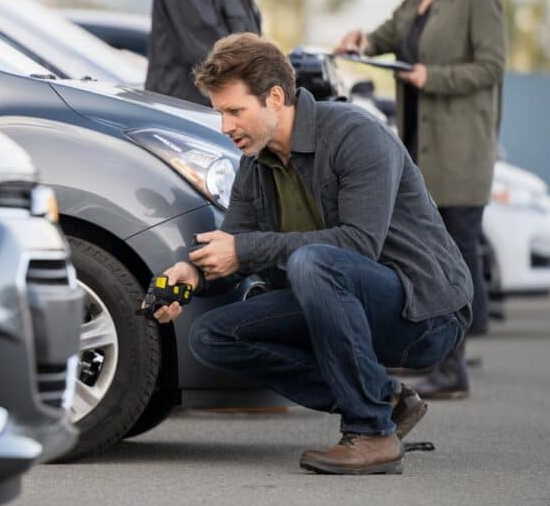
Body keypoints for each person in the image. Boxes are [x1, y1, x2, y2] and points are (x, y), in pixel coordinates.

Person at [150, 33, 472, 475]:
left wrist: (245, 249)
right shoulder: (255, 165)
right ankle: (385, 399)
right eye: (220, 113)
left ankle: (372, 432)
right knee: (213, 336)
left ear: (276, 98)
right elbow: (237, 249)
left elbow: (359, 244)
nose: (225, 127)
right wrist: (194, 274)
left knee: (312, 261)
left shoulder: (356, 135)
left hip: (424, 313)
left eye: (234, 111)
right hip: (337, 296)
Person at [335, 0, 506, 398]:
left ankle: (453, 365)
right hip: (417, 146)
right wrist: (360, 41)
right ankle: (439, 356)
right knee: (426, 250)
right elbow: (386, 37)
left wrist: (435, 78)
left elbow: (491, 66)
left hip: (459, 149)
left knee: (452, 251)